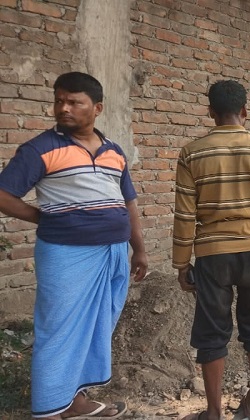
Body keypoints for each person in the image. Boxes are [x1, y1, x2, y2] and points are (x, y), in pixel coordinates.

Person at [0, 72, 147, 419]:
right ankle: (49, 410)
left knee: (96, 327)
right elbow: (4, 195)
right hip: (67, 254)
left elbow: (129, 204)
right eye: (59, 101)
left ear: (96, 108)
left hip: (113, 252)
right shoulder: (40, 148)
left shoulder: (114, 151)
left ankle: (74, 401)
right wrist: (45, 217)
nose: (63, 108)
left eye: (73, 102)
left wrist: (139, 248)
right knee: (59, 329)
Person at [172, 80, 250, 420]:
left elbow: (184, 215)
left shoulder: (192, 152)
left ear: (210, 112)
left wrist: (182, 264)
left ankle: (212, 412)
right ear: (245, 111)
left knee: (212, 333)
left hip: (212, 254)